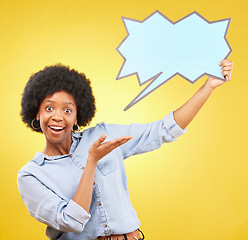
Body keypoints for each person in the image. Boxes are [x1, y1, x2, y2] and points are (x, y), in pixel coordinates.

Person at [17, 60, 233, 240]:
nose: (57, 116)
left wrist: (208, 87)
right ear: (37, 113)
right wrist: (92, 161)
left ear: (76, 117)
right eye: (49, 108)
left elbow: (162, 130)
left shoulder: (102, 135)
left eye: (67, 109)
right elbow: (72, 221)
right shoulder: (31, 175)